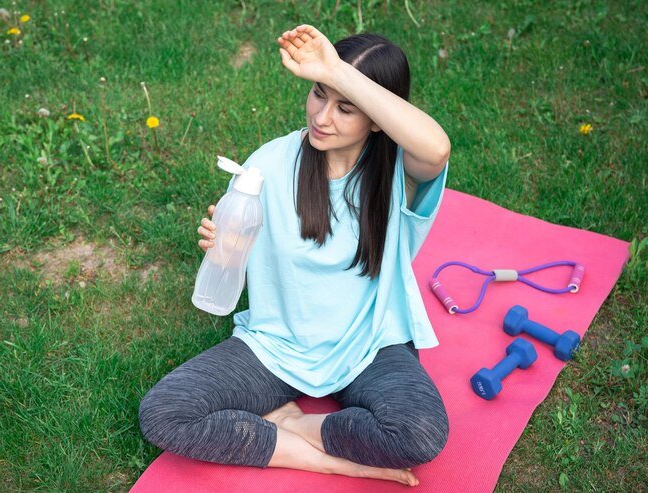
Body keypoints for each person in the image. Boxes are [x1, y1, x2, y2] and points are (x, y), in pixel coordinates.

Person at [139, 25, 450, 487]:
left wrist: (338, 72)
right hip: (277, 347)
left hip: (370, 345)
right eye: (318, 94)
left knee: (419, 432)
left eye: (345, 107)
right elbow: (231, 266)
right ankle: (307, 449)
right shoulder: (269, 163)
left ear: (377, 117)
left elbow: (437, 146)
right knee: (164, 413)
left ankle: (300, 425)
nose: (323, 117)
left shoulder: (397, 174)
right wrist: (223, 249)